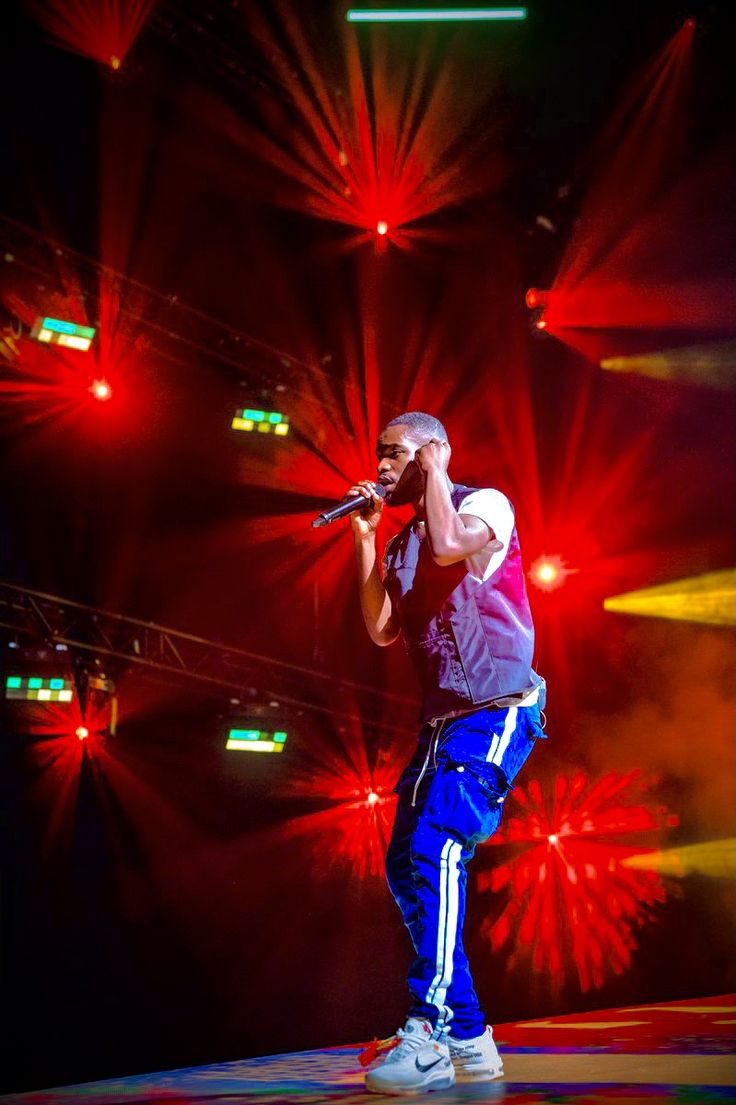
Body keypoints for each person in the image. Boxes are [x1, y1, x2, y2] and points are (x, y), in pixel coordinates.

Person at [349, 411, 546, 1095]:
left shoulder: (480, 504)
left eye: (395, 454)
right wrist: (368, 539)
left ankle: (429, 1026)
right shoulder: (404, 540)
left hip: (496, 707)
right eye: (378, 455)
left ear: (434, 452)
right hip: (441, 722)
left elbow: (451, 546)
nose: (381, 467)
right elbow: (380, 628)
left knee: (437, 845)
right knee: (406, 861)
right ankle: (468, 1035)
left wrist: (434, 470)